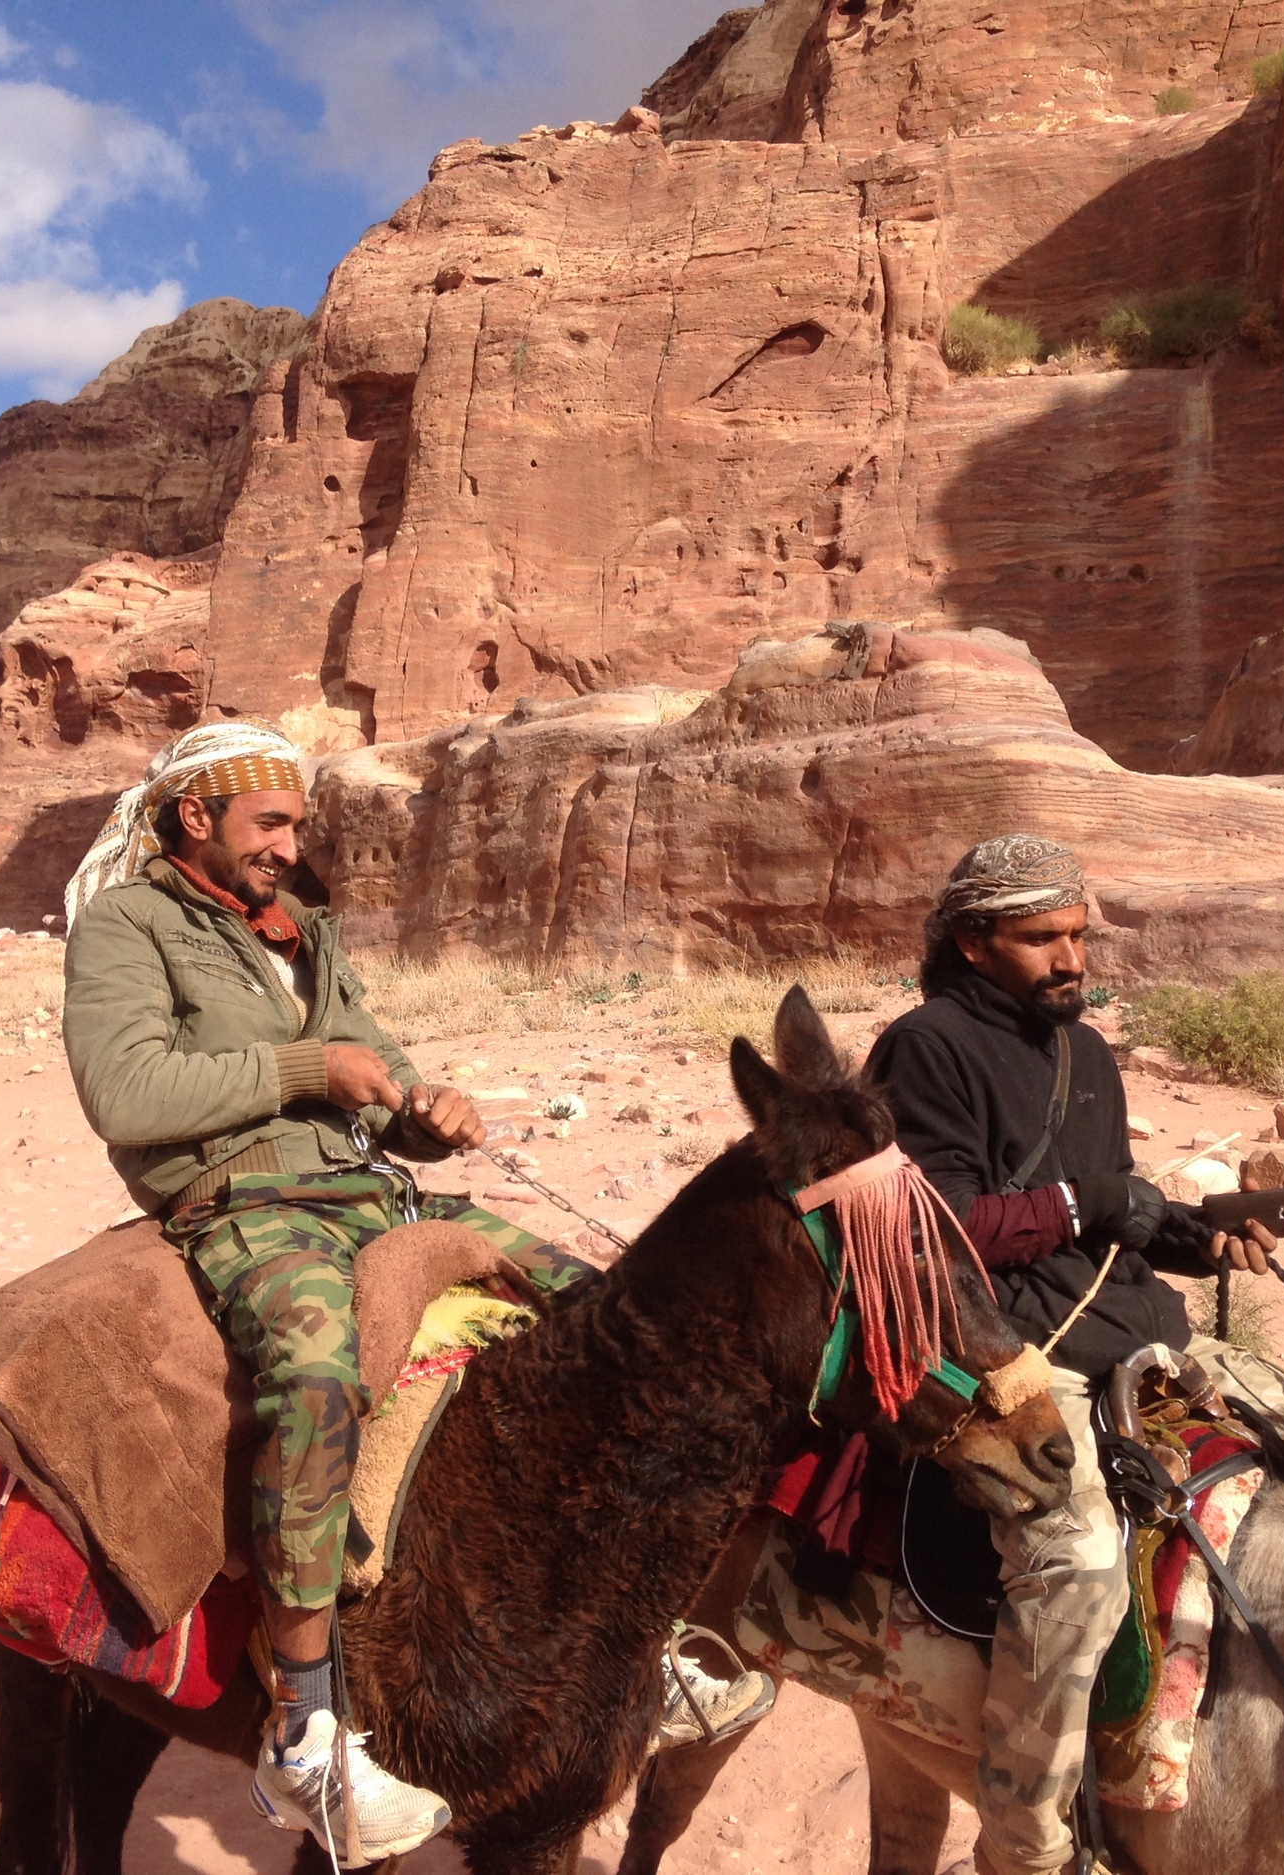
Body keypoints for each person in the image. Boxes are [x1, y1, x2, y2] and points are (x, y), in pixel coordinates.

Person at [60, 721, 766, 1868]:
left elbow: (370, 1072)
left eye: (296, 826)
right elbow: (127, 1093)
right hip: (244, 1207)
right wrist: (305, 1069)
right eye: (270, 824)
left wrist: (426, 1111)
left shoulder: (300, 932)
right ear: (196, 815)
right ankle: (304, 1721)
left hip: (363, 1195)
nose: (290, 847)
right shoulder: (127, 926)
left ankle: (651, 1639)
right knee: (316, 1377)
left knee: (597, 1319)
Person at [864, 834, 1272, 1875]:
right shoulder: (927, 1047)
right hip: (1006, 1350)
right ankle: (1028, 1842)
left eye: (1080, 935)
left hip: (1132, 1334)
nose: (1072, 958)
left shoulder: (1083, 1052)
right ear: (971, 941)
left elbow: (1108, 1206)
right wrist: (1077, 1204)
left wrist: (1191, 1230)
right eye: (1044, 937)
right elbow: (930, 1227)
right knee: (1081, 1566)